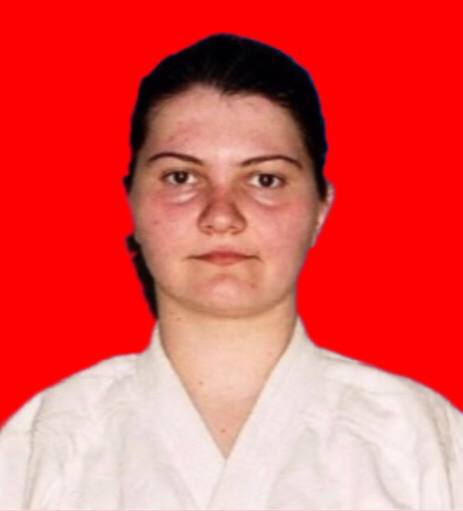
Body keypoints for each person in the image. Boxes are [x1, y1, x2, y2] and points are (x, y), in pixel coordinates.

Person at [0, 33, 462, 510]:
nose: (221, 216)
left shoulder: (421, 442)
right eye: (181, 177)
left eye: (265, 180)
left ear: (320, 208)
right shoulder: (46, 443)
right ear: (132, 201)